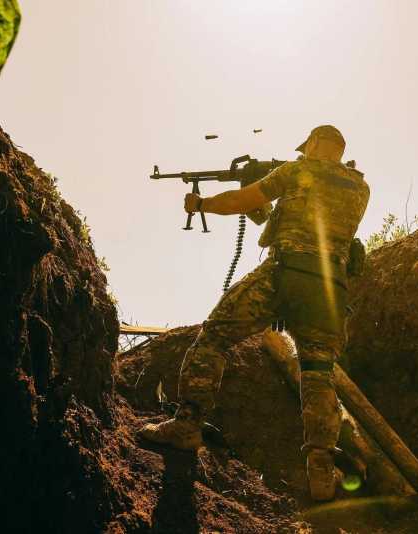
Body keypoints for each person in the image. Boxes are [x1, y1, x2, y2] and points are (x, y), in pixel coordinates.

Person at [139, 125, 370, 501]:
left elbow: (238, 201)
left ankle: (186, 426)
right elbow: (304, 216)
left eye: (305, 148)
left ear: (313, 143)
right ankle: (321, 466)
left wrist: (201, 204)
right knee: (317, 373)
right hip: (328, 289)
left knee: (214, 336)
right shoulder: (360, 187)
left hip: (284, 273)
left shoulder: (295, 171)